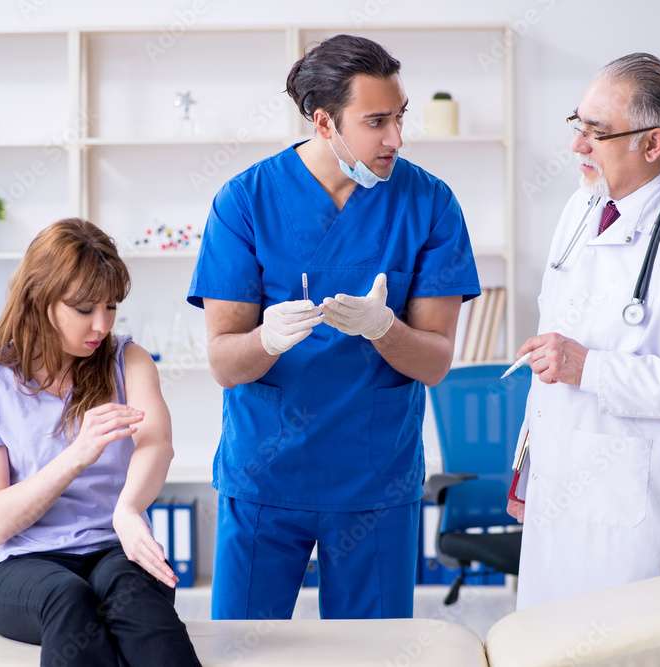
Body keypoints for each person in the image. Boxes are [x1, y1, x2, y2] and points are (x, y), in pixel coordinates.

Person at [187, 34, 480, 620]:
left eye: (399, 118)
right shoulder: (245, 201)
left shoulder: (429, 203)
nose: (395, 138)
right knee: (243, 655)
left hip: (372, 481)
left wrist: (384, 329)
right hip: (266, 477)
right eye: (376, 122)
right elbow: (223, 362)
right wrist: (265, 339)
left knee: (371, 658)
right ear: (325, 122)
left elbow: (436, 362)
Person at [507, 53, 660, 609]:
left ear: (653, 143)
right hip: (560, 489)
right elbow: (557, 348)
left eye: (597, 133)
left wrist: (590, 367)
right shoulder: (581, 208)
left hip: (636, 513)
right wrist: (529, 465)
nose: (577, 146)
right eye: (578, 126)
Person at [0, 219, 201, 666]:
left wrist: (127, 510)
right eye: (84, 309)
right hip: (22, 563)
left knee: (139, 602)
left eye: (110, 307)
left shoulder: (128, 359)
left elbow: (156, 443)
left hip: (113, 546)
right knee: (69, 599)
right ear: (39, 298)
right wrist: (77, 455)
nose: (101, 324)